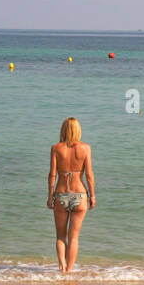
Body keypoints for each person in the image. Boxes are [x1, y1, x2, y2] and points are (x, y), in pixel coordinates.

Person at [46, 116, 96, 273]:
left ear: (63, 130)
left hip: (61, 195)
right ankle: (69, 270)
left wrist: (49, 196)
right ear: (78, 130)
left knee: (60, 236)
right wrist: (92, 195)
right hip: (80, 195)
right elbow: (89, 175)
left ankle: (61, 267)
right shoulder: (86, 148)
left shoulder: (56, 148)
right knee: (74, 237)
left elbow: (52, 175)